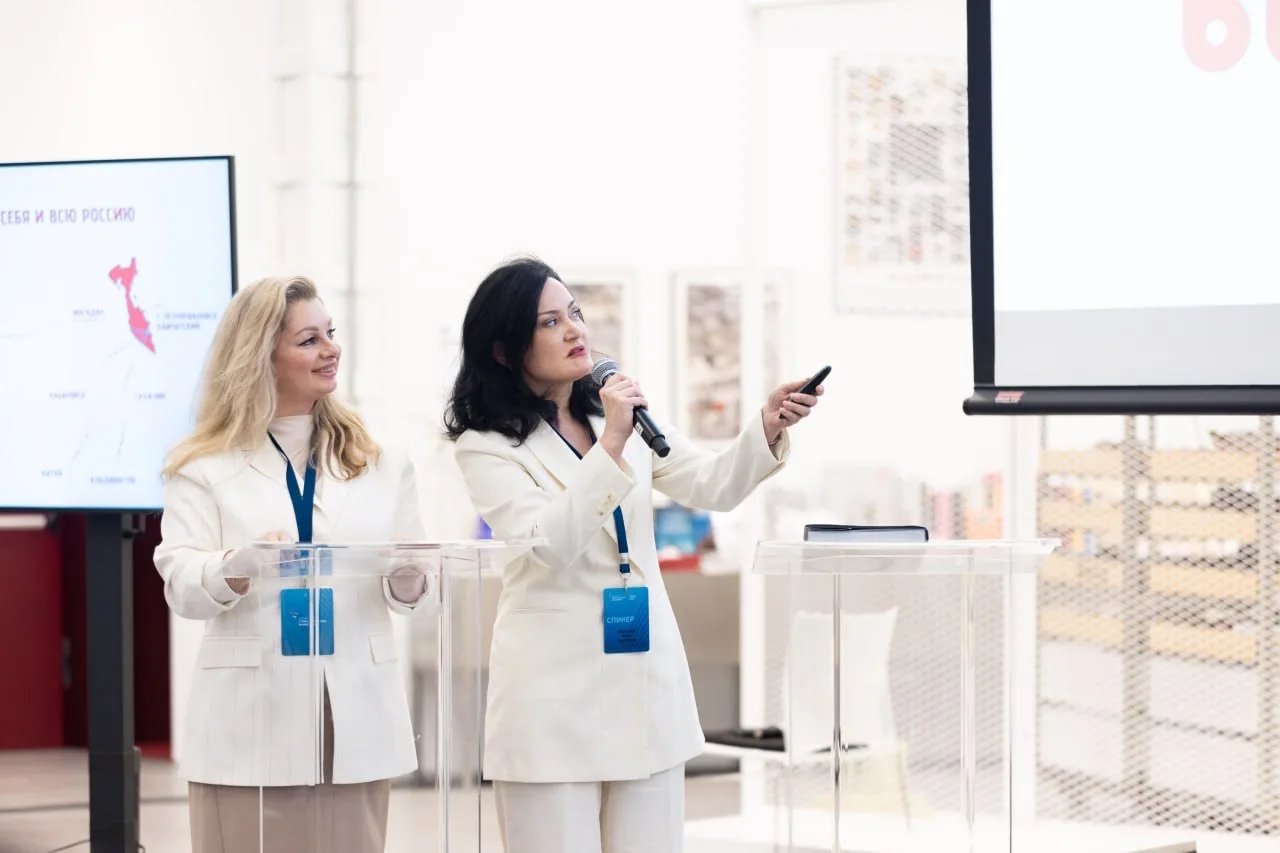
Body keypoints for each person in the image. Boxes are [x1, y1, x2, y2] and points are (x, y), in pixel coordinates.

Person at [445, 257, 824, 853]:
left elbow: (711, 484)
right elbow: (549, 543)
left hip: (643, 686)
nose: (575, 330)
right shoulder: (486, 446)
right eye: (549, 322)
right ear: (503, 348)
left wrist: (767, 427)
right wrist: (613, 443)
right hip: (553, 701)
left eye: (574, 313)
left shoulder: (614, 414)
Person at [154, 275, 435, 853]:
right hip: (249, 720)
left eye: (330, 333)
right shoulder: (201, 465)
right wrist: (239, 565)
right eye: (309, 340)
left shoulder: (382, 461)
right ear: (261, 355)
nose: (331, 349)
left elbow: (416, 591)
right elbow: (181, 586)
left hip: (356, 711)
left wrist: (409, 578)